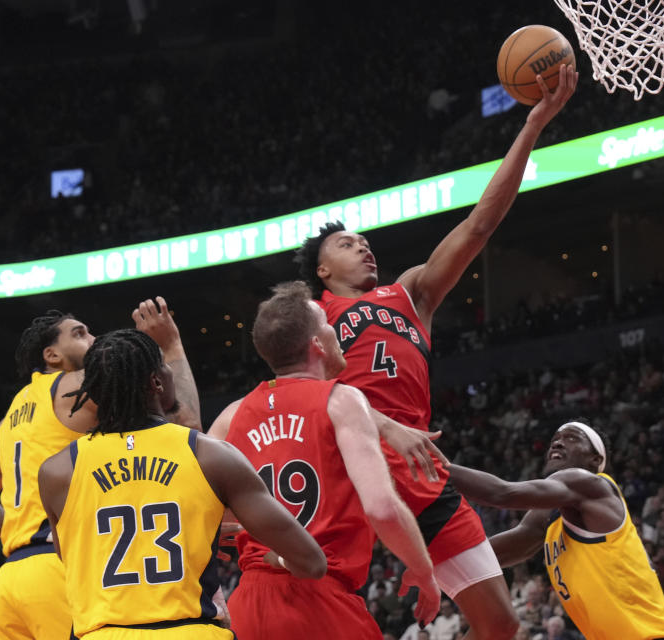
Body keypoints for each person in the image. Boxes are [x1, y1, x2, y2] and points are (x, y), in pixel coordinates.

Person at [295, 64, 578, 639]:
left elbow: (478, 226)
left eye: (366, 241)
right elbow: (305, 395)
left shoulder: (410, 294)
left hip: (419, 469)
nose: (363, 247)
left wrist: (532, 126)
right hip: (343, 468)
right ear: (323, 269)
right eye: (348, 244)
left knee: (502, 625)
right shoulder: (309, 315)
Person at [38, 329, 327, 638]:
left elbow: (70, 555)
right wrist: (275, 557)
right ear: (157, 381)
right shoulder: (211, 455)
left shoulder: (57, 471)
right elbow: (312, 562)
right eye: (165, 365)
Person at [0, 299, 197, 639]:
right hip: (58, 570)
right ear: (52, 355)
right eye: (80, 333)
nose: (94, 339)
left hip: (11, 580)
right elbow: (187, 423)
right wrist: (171, 346)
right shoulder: (77, 386)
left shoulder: (12, 418)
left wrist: (23, 535)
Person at [208, 281, 440, 639]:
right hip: (321, 597)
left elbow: (190, 514)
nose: (336, 331)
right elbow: (382, 508)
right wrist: (424, 573)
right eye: (328, 324)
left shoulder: (230, 417)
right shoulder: (342, 400)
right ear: (317, 343)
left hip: (248, 605)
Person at [445, 421, 664, 640]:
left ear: (595, 460)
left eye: (572, 438)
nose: (559, 443)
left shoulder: (591, 484)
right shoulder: (548, 518)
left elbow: (501, 493)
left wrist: (431, 464)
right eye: (555, 440)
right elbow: (492, 554)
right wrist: (430, 564)